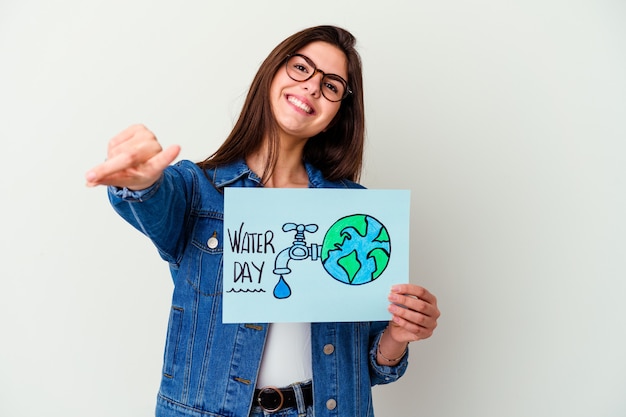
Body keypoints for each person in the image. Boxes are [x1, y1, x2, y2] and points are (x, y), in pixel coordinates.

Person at [85, 25, 440, 417]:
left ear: (337, 113)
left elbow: (371, 364)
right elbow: (152, 200)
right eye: (301, 68)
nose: (311, 87)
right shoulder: (197, 189)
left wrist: (399, 335)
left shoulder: (355, 213)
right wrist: (140, 180)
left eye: (332, 86)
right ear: (273, 72)